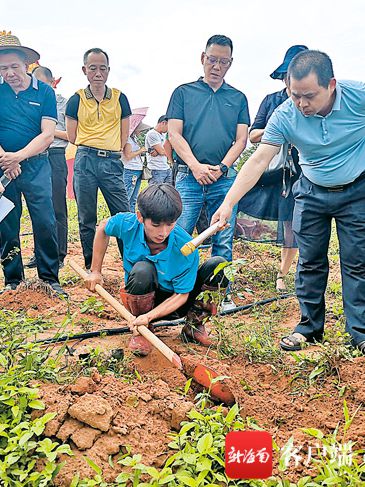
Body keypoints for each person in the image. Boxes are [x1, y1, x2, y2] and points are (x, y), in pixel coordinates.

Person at [213, 50, 365, 355]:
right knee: (309, 261)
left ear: (331, 84)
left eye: (309, 96)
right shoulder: (285, 114)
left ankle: (359, 333)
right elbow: (258, 161)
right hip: (311, 190)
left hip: (356, 190)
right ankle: (309, 328)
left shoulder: (358, 97)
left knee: (357, 262)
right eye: (295, 95)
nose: (301, 104)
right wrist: (229, 203)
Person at [85, 184, 228, 356]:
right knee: (142, 270)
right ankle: (143, 331)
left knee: (219, 266)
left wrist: (151, 315)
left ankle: (193, 326)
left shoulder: (185, 246)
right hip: (142, 298)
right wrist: (95, 271)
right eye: (156, 224)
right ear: (140, 217)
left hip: (176, 304)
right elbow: (103, 228)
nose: (163, 232)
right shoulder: (128, 224)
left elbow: (182, 295)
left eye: (170, 224)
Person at [166, 34, 250, 266]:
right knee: (179, 235)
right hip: (188, 175)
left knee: (222, 238)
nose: (217, 66)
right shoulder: (183, 93)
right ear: (203, 58)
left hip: (223, 180)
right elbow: (174, 134)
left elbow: (241, 140)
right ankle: (174, 292)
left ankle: (221, 296)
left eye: (224, 62)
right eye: (212, 59)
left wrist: (223, 167)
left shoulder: (238, 98)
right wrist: (195, 166)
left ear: (230, 63)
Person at [0, 33, 66, 297]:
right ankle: (13, 280)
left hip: (37, 166)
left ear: (26, 64)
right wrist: (7, 159)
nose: (10, 73)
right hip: (4, 168)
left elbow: (48, 134)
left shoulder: (45, 92)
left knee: (45, 221)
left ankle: (49, 278)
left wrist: (19, 156)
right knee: (6, 223)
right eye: (3, 68)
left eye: (14, 66)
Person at [238, 45, 308, 292]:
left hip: (302, 172)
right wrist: (278, 128)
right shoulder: (272, 101)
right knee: (250, 206)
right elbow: (253, 133)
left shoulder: (313, 101)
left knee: (294, 225)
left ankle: (283, 273)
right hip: (274, 171)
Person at [65, 47, 131, 269]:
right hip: (85, 161)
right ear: (85, 70)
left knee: (123, 215)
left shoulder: (120, 98)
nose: (98, 73)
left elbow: (125, 133)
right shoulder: (76, 100)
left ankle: (131, 265)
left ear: (109, 70)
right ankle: (91, 266)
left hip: (111, 162)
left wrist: (113, 149)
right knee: (87, 218)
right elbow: (73, 136)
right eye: (93, 68)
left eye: (103, 68)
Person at [26, 65, 69, 269]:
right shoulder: (32, 102)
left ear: (53, 83)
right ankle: (39, 253)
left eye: (42, 83)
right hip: (35, 156)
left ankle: (59, 254)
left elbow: (71, 135)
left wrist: (47, 130)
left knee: (57, 207)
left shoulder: (64, 104)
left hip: (55, 155)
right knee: (39, 207)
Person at [122, 121, 149, 212]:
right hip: (130, 169)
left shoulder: (135, 139)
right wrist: (140, 151)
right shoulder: (128, 140)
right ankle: (125, 216)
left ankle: (131, 216)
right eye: (140, 130)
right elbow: (128, 155)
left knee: (133, 198)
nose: (141, 132)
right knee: (127, 196)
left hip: (137, 169)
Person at [145, 115, 172, 185]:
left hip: (166, 167)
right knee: (155, 192)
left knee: (168, 191)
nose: (169, 129)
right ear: (163, 123)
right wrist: (167, 150)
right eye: (169, 126)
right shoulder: (152, 134)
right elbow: (162, 151)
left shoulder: (162, 135)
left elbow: (163, 150)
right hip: (156, 169)